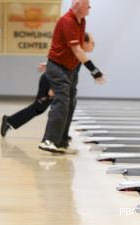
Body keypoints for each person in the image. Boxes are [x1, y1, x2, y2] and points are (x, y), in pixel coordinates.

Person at [38, 0, 105, 154]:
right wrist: (94, 71)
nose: (89, 7)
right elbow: (77, 50)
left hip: (70, 68)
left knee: (71, 102)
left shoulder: (81, 21)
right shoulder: (67, 21)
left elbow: (70, 48)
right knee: (62, 101)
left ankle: (61, 141)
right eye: (87, 4)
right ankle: (48, 140)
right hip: (59, 68)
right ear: (77, 5)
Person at [0, 32, 95, 137]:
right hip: (51, 81)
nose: (93, 45)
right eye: (92, 43)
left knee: (68, 106)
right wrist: (53, 88)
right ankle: (9, 121)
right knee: (39, 108)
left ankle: (63, 135)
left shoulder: (78, 54)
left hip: (55, 81)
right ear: (84, 43)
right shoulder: (76, 53)